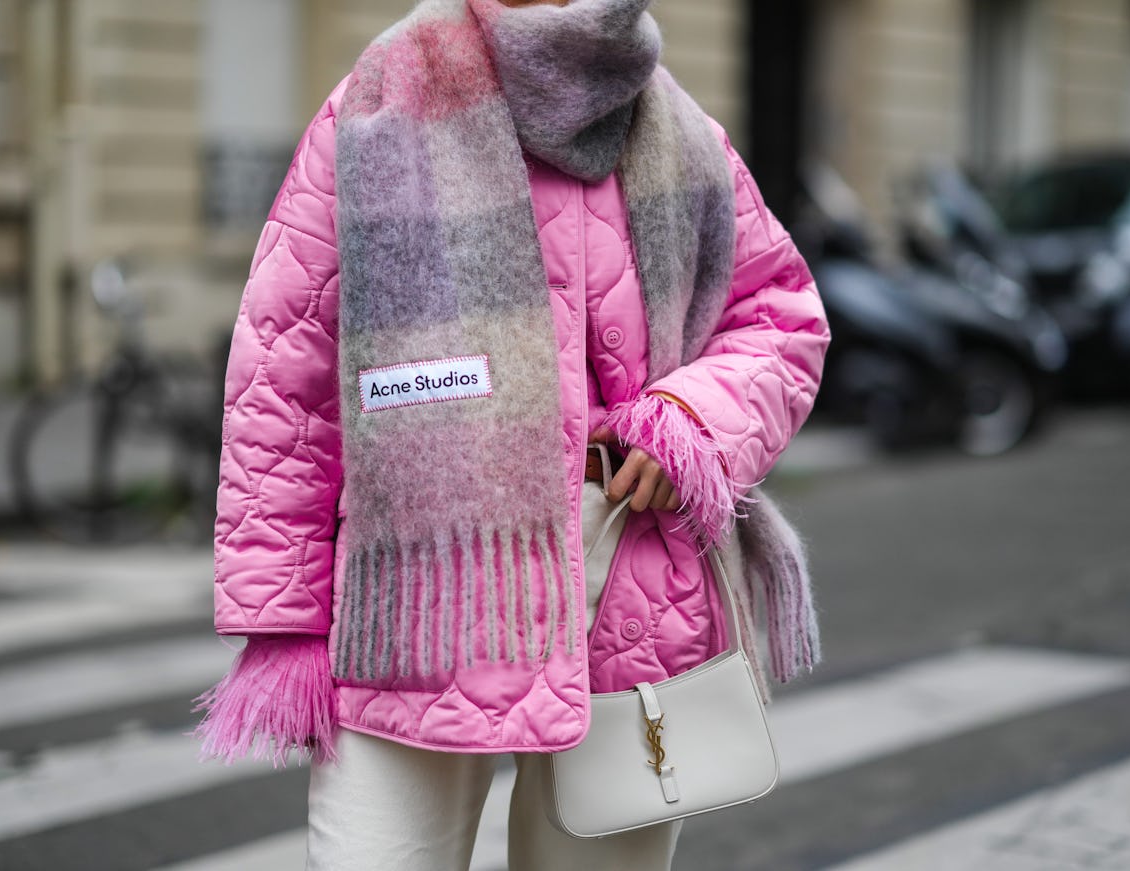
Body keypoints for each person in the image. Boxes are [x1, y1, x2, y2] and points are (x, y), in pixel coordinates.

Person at [192, 0, 830, 867]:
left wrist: (691, 422)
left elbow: (779, 317)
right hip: (412, 607)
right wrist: (284, 619)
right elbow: (285, 374)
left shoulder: (679, 130)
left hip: (628, 603)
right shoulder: (375, 108)